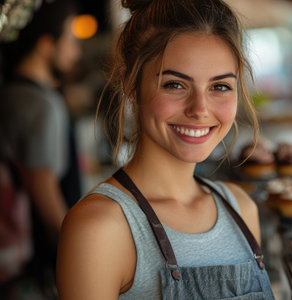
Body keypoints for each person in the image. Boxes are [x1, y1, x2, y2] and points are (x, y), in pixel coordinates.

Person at [56, 0, 274, 299]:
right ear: (130, 84)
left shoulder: (241, 208)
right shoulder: (100, 226)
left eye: (220, 86)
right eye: (175, 84)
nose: (200, 109)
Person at [0, 0, 81, 295]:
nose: (76, 51)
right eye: (71, 41)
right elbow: (44, 190)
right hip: (34, 266)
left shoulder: (13, 92)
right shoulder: (39, 104)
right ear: (47, 45)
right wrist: (77, 256)